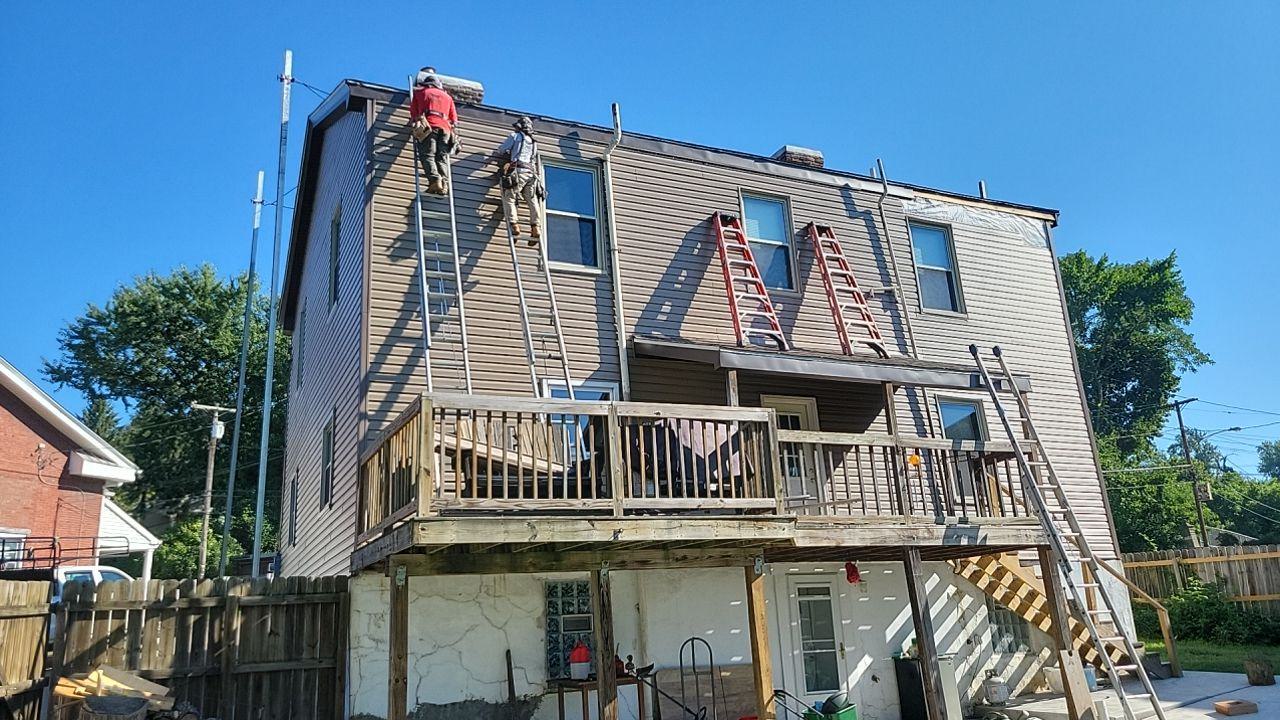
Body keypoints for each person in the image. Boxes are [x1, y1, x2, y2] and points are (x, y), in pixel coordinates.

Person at [496, 116, 544, 242]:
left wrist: (507, 154)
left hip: (518, 171)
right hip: (531, 174)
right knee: (532, 200)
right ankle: (535, 227)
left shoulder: (515, 136)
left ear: (520, 127)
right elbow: (533, 159)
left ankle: (514, 225)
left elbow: (501, 150)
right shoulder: (534, 142)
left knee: (509, 197)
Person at [409, 69, 457, 195]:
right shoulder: (448, 97)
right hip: (446, 130)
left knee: (428, 155)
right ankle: (444, 184)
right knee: (441, 158)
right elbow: (454, 120)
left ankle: (435, 180)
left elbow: (414, 114)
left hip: (429, 126)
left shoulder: (420, 93)